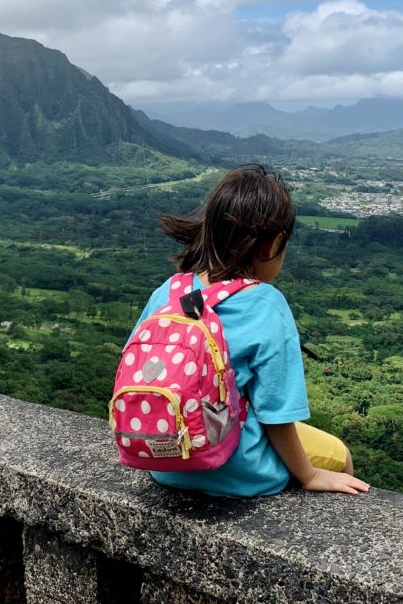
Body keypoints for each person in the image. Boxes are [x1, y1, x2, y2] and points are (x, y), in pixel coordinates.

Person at [131, 163, 370, 497]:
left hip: (164, 460)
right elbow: (276, 415)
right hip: (237, 469)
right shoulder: (266, 303)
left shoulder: (169, 291)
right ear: (271, 245)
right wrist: (309, 476)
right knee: (339, 455)